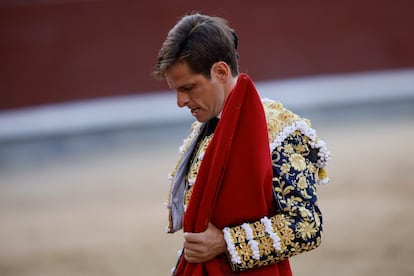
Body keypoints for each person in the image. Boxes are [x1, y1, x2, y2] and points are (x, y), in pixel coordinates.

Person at [154, 13, 331, 276]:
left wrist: (226, 242)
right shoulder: (204, 128)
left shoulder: (278, 131)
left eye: (189, 88)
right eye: (176, 90)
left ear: (221, 71)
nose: (180, 101)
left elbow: (306, 224)